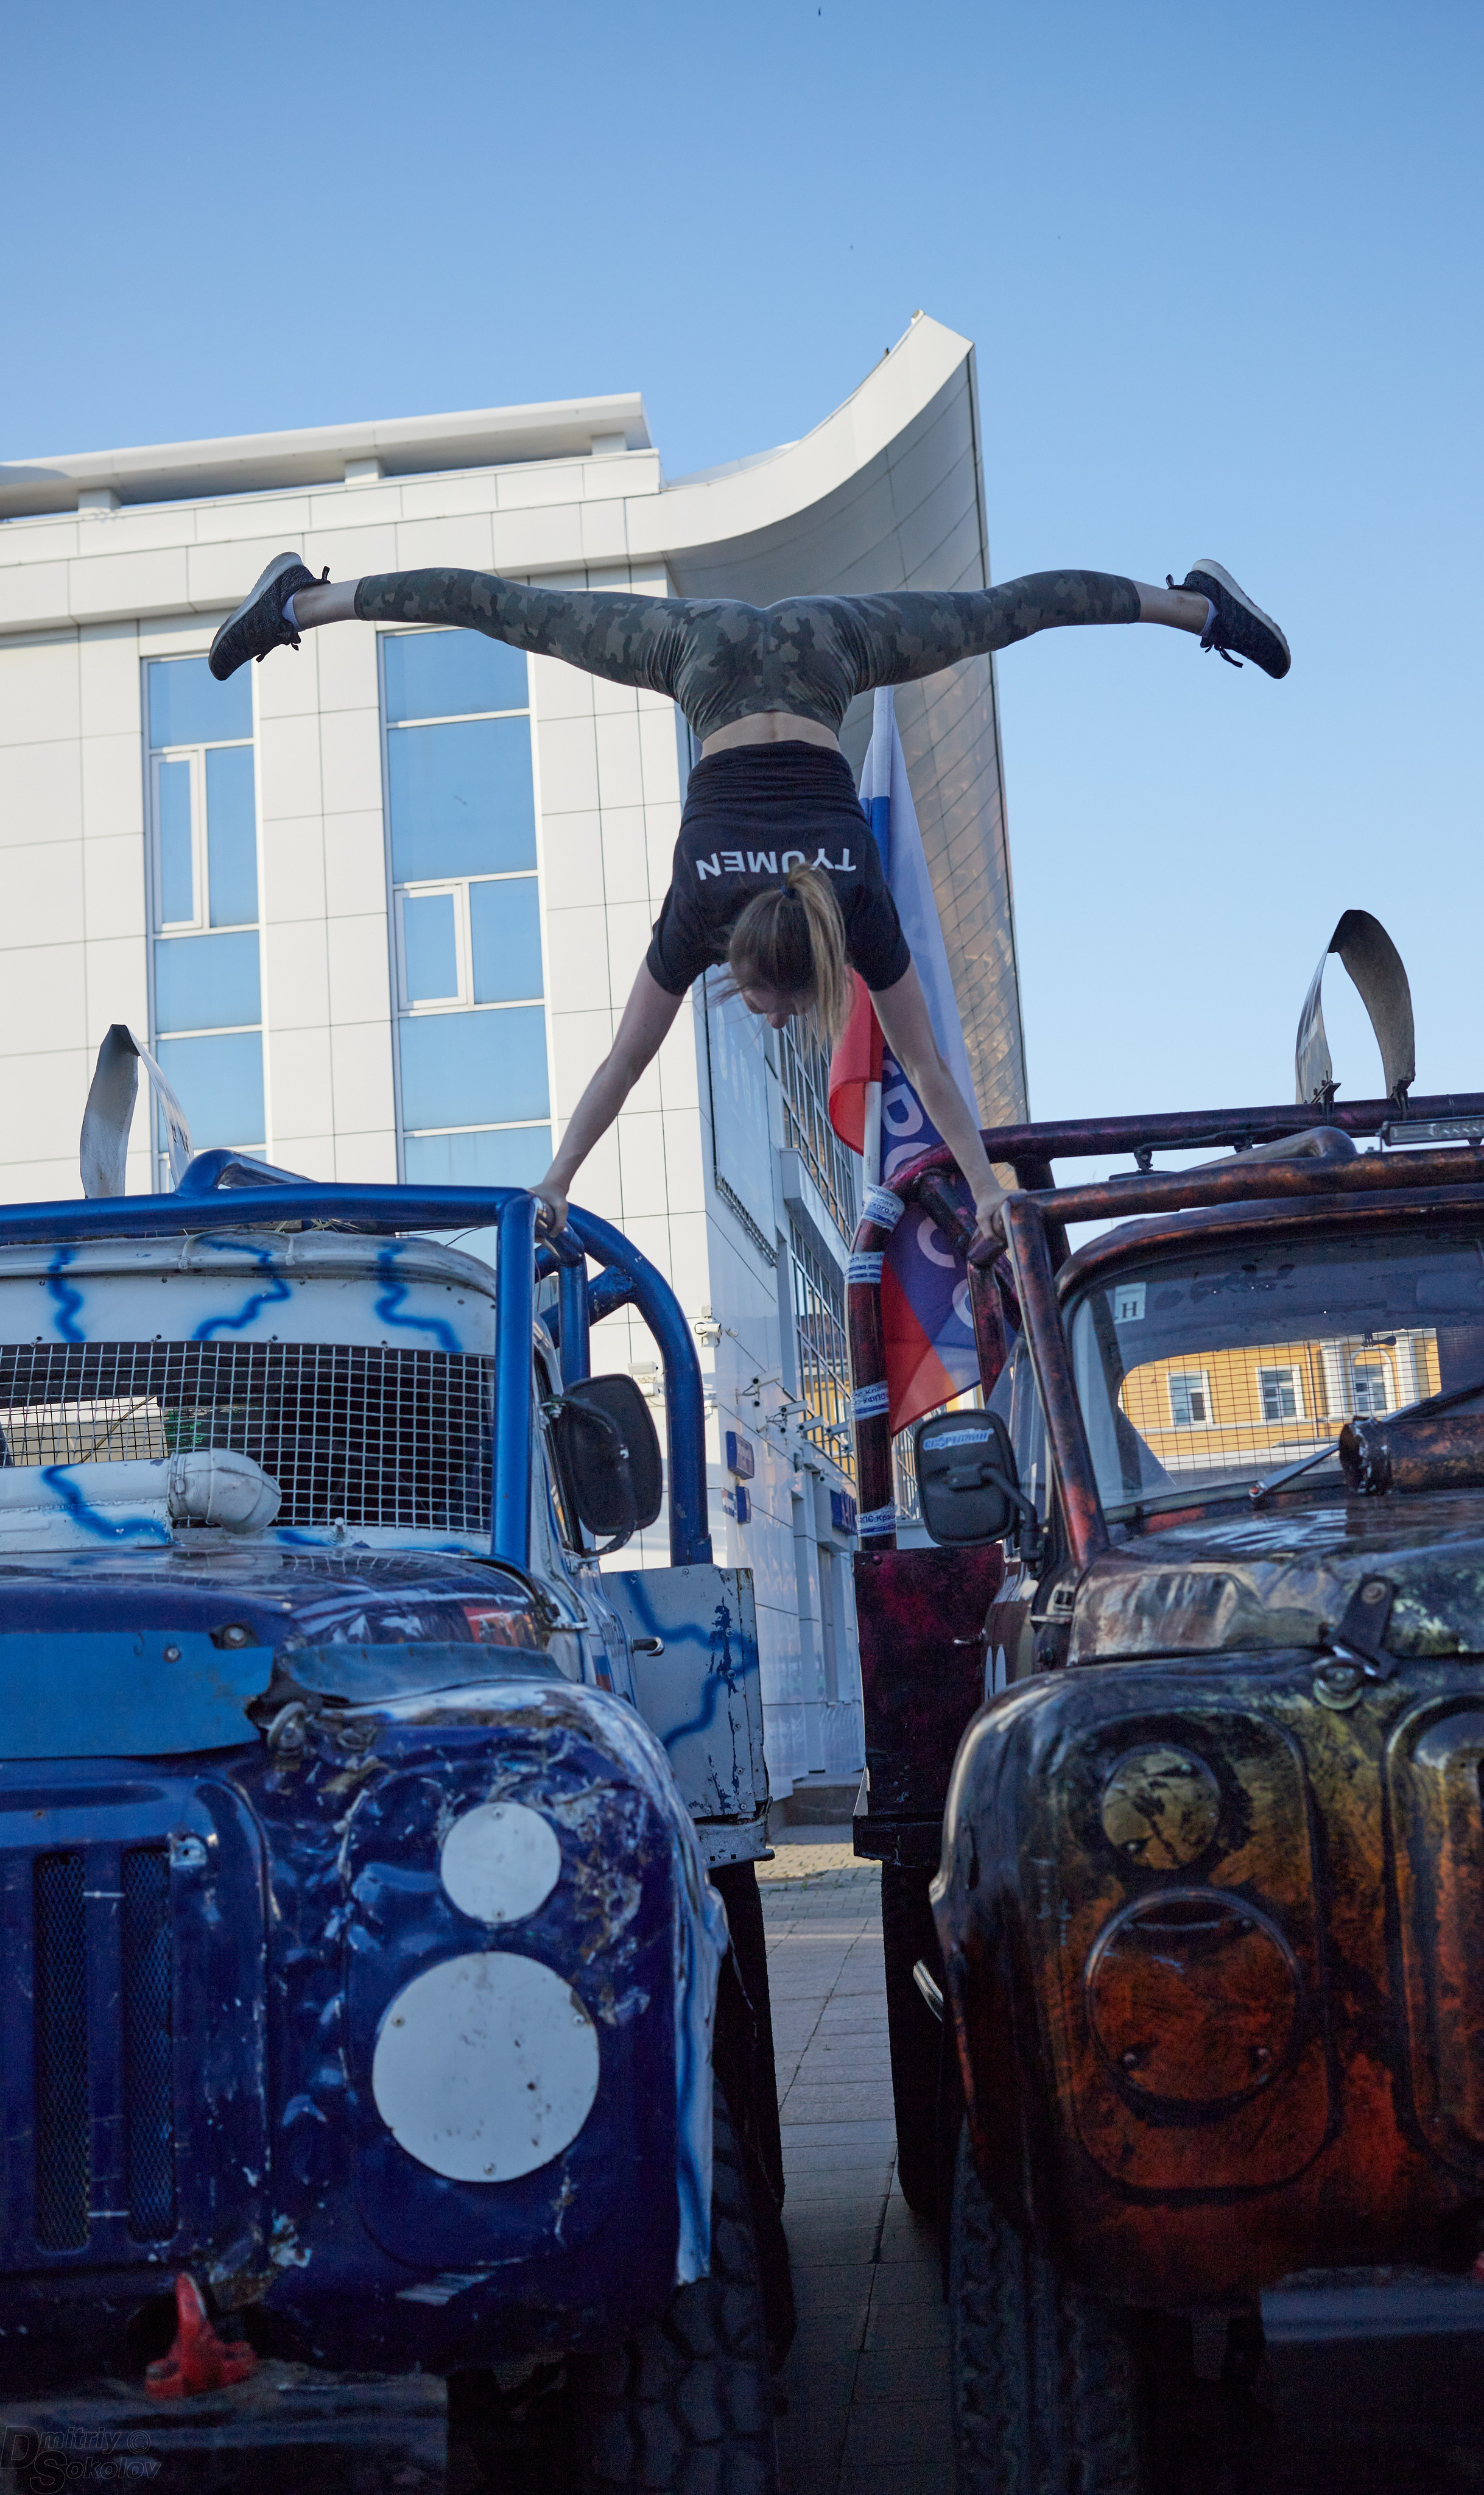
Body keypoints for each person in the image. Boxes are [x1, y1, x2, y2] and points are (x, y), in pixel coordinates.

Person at [211, 554, 1289, 1240]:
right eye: (776, 1008)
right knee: (513, 614)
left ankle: (306, 599)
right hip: (728, 655)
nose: (770, 1017)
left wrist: (993, 1184)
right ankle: (1189, 603)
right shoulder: (700, 907)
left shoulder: (853, 893)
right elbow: (630, 1059)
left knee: (505, 611)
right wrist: (552, 1181)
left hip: (801, 645)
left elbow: (924, 1067)